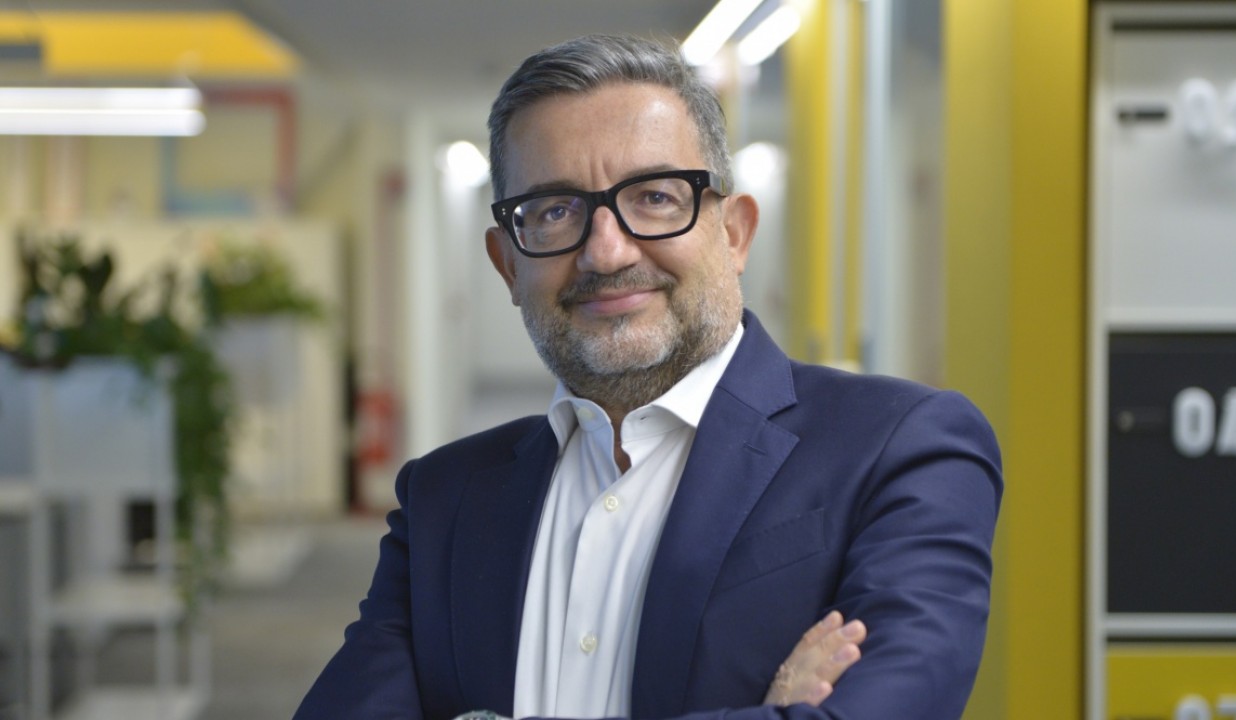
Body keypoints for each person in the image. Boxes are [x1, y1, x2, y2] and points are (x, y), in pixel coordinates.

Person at [296, 34, 1002, 720]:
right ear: (508, 264)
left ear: (734, 233)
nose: (606, 252)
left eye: (656, 197)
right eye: (554, 211)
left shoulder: (901, 450)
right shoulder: (443, 499)